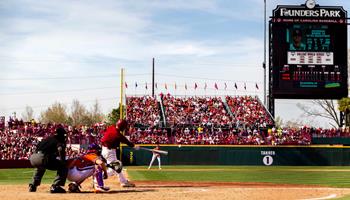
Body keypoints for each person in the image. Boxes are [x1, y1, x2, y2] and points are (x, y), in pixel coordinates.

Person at [28, 126, 68, 193]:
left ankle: (33, 185)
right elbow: (60, 149)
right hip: (42, 157)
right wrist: (63, 160)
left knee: (41, 167)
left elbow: (38, 148)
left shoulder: (47, 139)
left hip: (33, 157)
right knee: (63, 167)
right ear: (61, 135)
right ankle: (55, 186)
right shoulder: (58, 140)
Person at [101, 119, 139, 187]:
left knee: (117, 167)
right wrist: (134, 146)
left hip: (105, 150)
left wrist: (133, 145)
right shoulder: (117, 134)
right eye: (124, 127)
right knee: (112, 170)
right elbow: (125, 141)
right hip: (110, 151)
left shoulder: (111, 127)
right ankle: (97, 179)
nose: (125, 129)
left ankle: (123, 181)